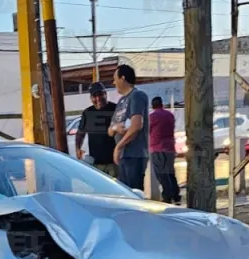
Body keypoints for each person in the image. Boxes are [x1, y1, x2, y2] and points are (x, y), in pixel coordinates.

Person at [108, 64, 149, 192]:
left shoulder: (137, 96)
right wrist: (115, 127)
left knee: (134, 194)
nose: (114, 82)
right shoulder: (121, 102)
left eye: (115, 79)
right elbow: (109, 130)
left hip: (134, 155)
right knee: (124, 193)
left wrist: (118, 147)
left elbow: (137, 125)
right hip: (123, 157)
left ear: (123, 78)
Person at [75, 83, 117, 177]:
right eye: (94, 96)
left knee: (117, 190)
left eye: (100, 94)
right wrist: (78, 149)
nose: (98, 98)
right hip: (96, 164)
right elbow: (80, 133)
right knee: (99, 190)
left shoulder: (115, 109)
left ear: (105, 94)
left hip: (115, 163)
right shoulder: (87, 113)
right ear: (91, 98)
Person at [147, 96, 180, 205]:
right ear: (161, 104)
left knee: (161, 174)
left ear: (152, 106)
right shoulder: (170, 115)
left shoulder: (152, 117)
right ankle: (176, 195)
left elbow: (148, 130)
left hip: (157, 148)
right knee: (170, 172)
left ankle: (167, 196)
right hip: (170, 148)